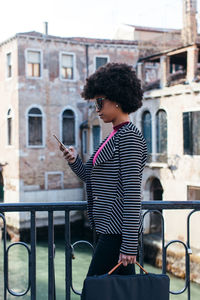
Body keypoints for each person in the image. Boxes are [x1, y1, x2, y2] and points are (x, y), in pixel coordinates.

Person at [61, 63, 147, 276]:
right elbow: (88, 176)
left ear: (117, 99)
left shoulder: (128, 137)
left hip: (117, 234)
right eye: (95, 103)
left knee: (94, 289)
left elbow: (132, 192)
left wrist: (129, 245)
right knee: (114, 292)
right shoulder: (113, 136)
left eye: (100, 102)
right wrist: (73, 160)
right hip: (106, 229)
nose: (96, 109)